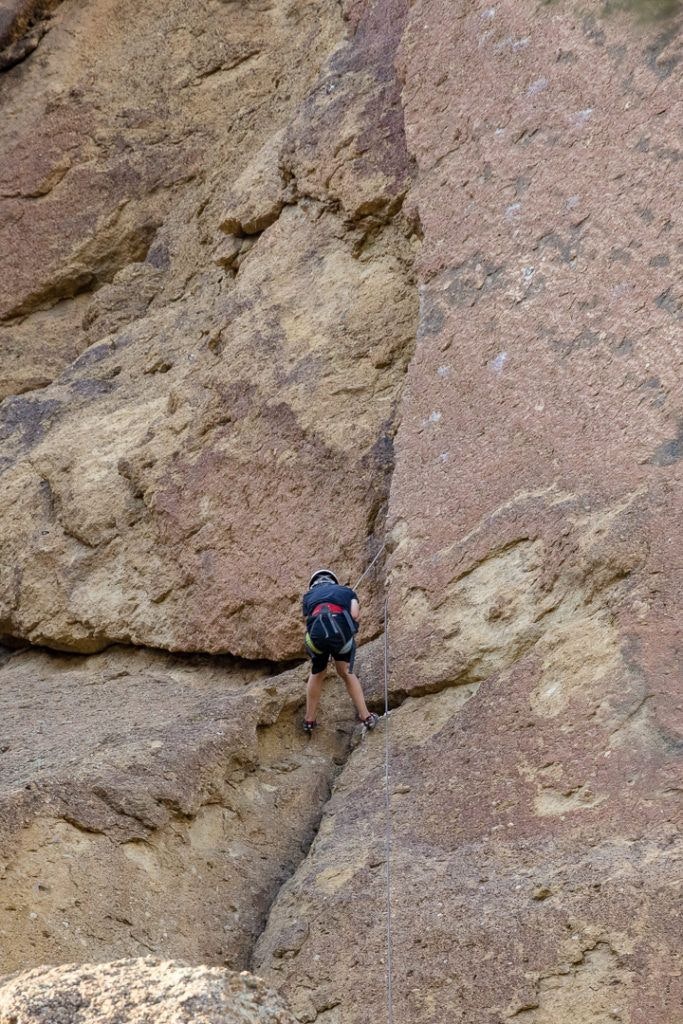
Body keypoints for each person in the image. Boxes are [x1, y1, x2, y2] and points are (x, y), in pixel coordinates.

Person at [301, 568, 379, 734]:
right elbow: (355, 614)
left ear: (313, 585)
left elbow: (308, 620)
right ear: (333, 581)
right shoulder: (347, 591)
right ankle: (366, 717)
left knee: (317, 674)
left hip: (317, 639)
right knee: (345, 672)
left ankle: (309, 720)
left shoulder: (308, 597)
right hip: (341, 637)